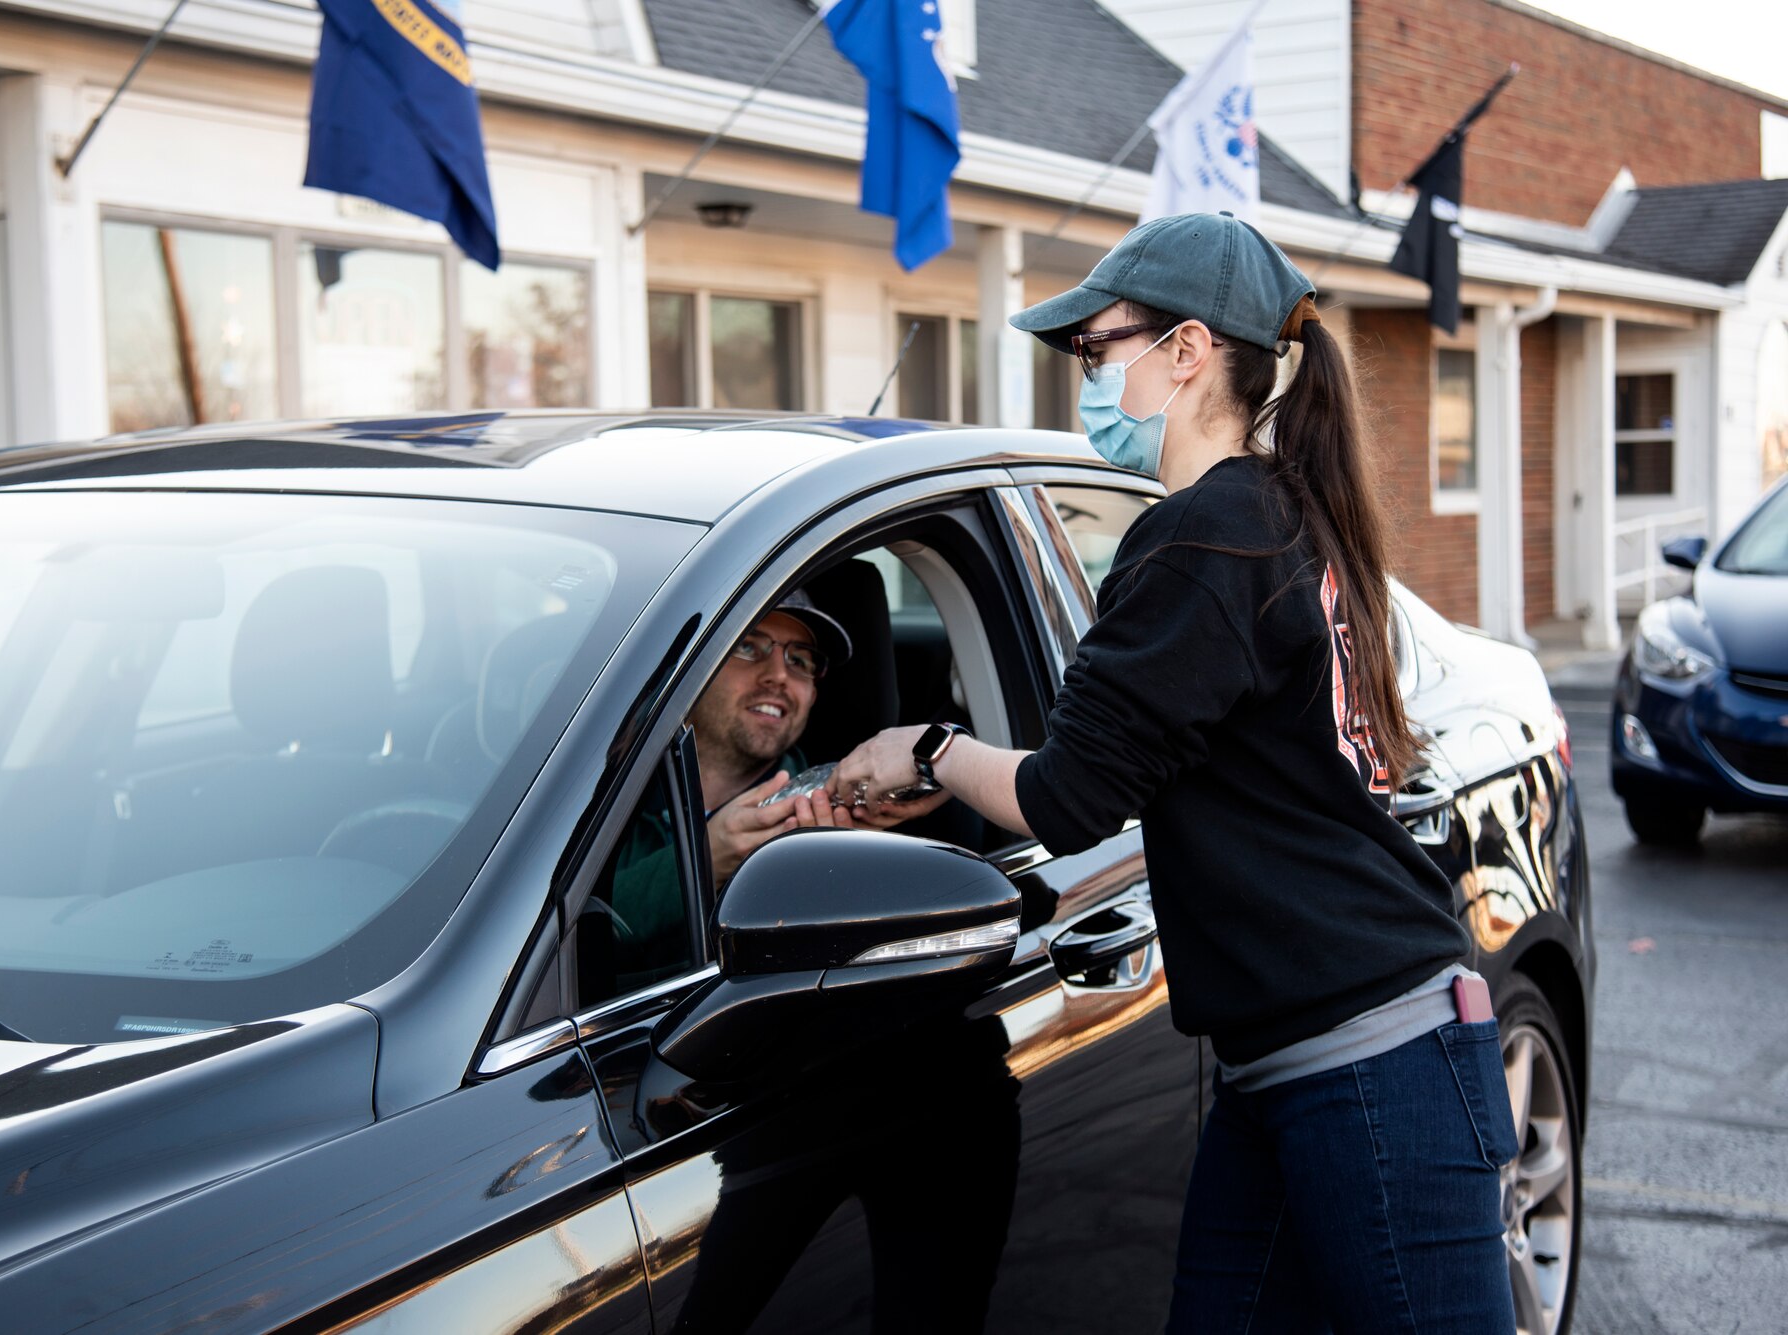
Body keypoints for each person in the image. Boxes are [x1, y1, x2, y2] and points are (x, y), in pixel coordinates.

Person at [827, 212, 1519, 1333]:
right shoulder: (1280, 515)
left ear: (1185, 350)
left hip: (1369, 1069)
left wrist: (928, 751)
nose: (1087, 379)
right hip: (1292, 1066)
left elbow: (1068, 798)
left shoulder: (1202, 539)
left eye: (1097, 351)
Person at [604, 588, 903, 991]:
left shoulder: (838, 822)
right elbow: (556, 948)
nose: (779, 675)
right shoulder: (601, 791)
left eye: (799, 660)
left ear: (813, 693)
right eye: (748, 645)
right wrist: (704, 858)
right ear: (692, 669)